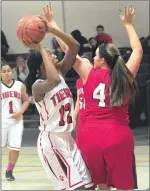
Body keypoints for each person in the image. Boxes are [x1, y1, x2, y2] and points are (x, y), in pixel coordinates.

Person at [51, 5, 142, 190]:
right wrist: (128, 24)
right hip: (118, 135)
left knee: (100, 185)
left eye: (95, 56)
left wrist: (52, 24)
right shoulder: (125, 74)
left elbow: (69, 50)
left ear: (101, 61)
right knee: (125, 186)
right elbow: (138, 50)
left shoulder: (89, 74)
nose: (93, 59)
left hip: (91, 137)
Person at [23, 4, 94, 190]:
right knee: (76, 188)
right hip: (52, 143)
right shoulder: (38, 86)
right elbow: (53, 80)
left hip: (68, 139)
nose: (53, 53)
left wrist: (52, 29)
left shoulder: (61, 71)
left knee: (88, 186)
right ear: (41, 67)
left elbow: (74, 46)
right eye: (49, 54)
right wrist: (39, 47)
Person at [1, 62, 30, 181]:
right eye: (4, 71)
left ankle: (9, 171)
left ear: (12, 72)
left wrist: (20, 112)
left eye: (9, 71)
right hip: (2, 120)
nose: (7, 73)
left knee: (15, 147)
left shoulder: (20, 85)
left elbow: (27, 100)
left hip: (16, 121)